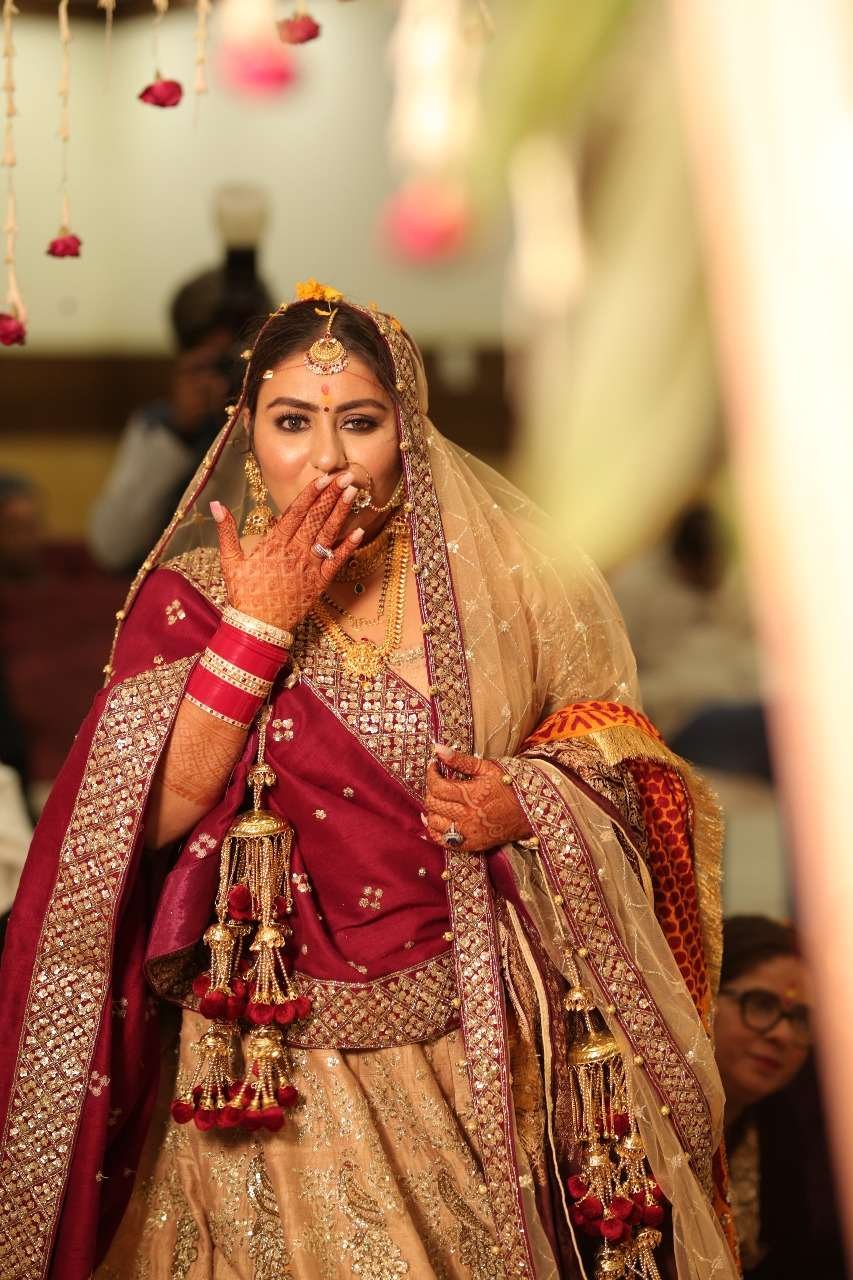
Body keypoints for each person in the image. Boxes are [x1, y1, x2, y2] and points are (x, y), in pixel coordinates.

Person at [0, 283, 739, 1280]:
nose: (328, 457)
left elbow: (623, 758)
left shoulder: (510, 587)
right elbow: (142, 818)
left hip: (469, 1040)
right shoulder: (193, 598)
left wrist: (529, 797)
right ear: (247, 432)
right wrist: (257, 625)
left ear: (409, 429)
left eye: (359, 421)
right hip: (254, 1062)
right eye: (291, 422)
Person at [88, 197, 273, 572]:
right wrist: (177, 434)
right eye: (213, 363)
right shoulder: (159, 426)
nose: (228, 375)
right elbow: (110, 546)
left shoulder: (285, 422)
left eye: (237, 360)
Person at [715, 916, 844, 1277]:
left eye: (801, 1018)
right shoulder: (639, 1134)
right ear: (705, 997)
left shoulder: (792, 1140)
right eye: (760, 1004)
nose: (783, 1035)